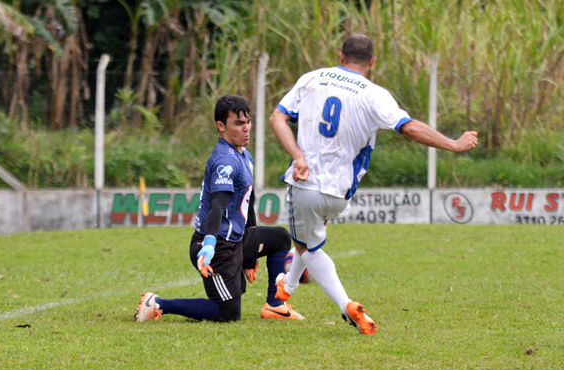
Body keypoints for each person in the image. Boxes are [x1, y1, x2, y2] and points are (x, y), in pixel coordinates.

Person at [269, 34, 478, 335]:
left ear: (340, 56)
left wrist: (297, 156)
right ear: (372, 62)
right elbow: (409, 127)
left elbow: (278, 117)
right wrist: (453, 144)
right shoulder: (374, 93)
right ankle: (286, 288)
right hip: (340, 192)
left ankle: (346, 306)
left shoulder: (311, 79)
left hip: (306, 183)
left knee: (307, 246)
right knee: (310, 235)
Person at [135, 94, 305, 323]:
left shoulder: (244, 156)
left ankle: (275, 305)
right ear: (221, 126)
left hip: (236, 239)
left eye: (248, 122)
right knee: (228, 314)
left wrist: (251, 253)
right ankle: (157, 303)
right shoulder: (225, 161)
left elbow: (249, 200)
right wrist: (209, 243)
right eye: (238, 123)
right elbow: (217, 205)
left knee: (281, 238)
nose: (246, 129)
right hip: (217, 246)